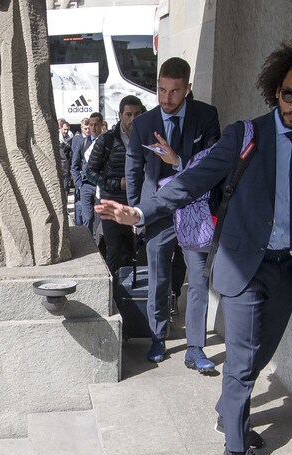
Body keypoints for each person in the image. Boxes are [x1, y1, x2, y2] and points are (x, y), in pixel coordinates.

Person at [97, 38, 292, 455]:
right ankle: (235, 450)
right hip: (242, 263)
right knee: (241, 357)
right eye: (288, 95)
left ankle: (226, 412)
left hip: (289, 268)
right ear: (276, 91)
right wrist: (140, 212)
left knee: (261, 353)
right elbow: (192, 179)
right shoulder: (245, 135)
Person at [124, 57, 222, 368]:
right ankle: (157, 337)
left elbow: (213, 165)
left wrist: (178, 160)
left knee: (197, 279)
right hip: (158, 212)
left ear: (187, 88)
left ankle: (195, 347)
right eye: (162, 90)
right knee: (159, 277)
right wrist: (134, 213)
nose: (167, 98)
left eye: (175, 91)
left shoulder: (206, 116)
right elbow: (135, 171)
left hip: (195, 211)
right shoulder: (144, 123)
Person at [86, 96, 144, 277]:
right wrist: (117, 184)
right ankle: (113, 295)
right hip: (111, 204)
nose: (132, 119)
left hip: (138, 205)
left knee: (136, 251)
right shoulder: (107, 140)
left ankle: (130, 297)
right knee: (115, 250)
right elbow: (90, 172)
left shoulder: (147, 137)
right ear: (120, 115)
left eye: (137, 114)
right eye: (128, 114)